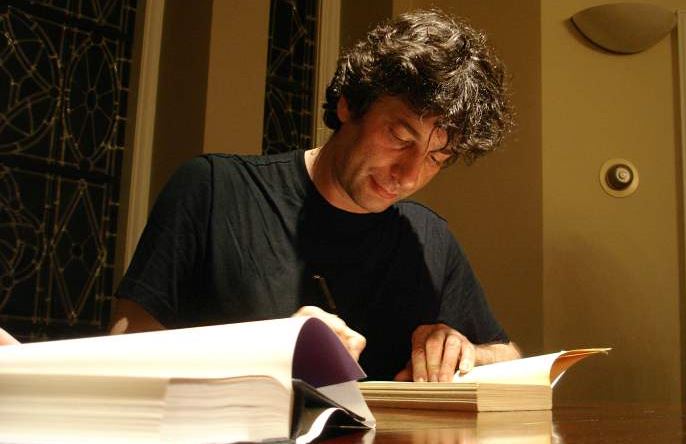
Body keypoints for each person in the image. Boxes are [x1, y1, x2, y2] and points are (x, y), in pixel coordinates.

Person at [1, 9, 521, 382]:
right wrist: (270, 349)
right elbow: (126, 347)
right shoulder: (213, 189)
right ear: (349, 104)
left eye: (436, 157)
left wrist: (466, 352)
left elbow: (512, 357)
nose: (409, 174)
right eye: (400, 137)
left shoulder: (429, 239)